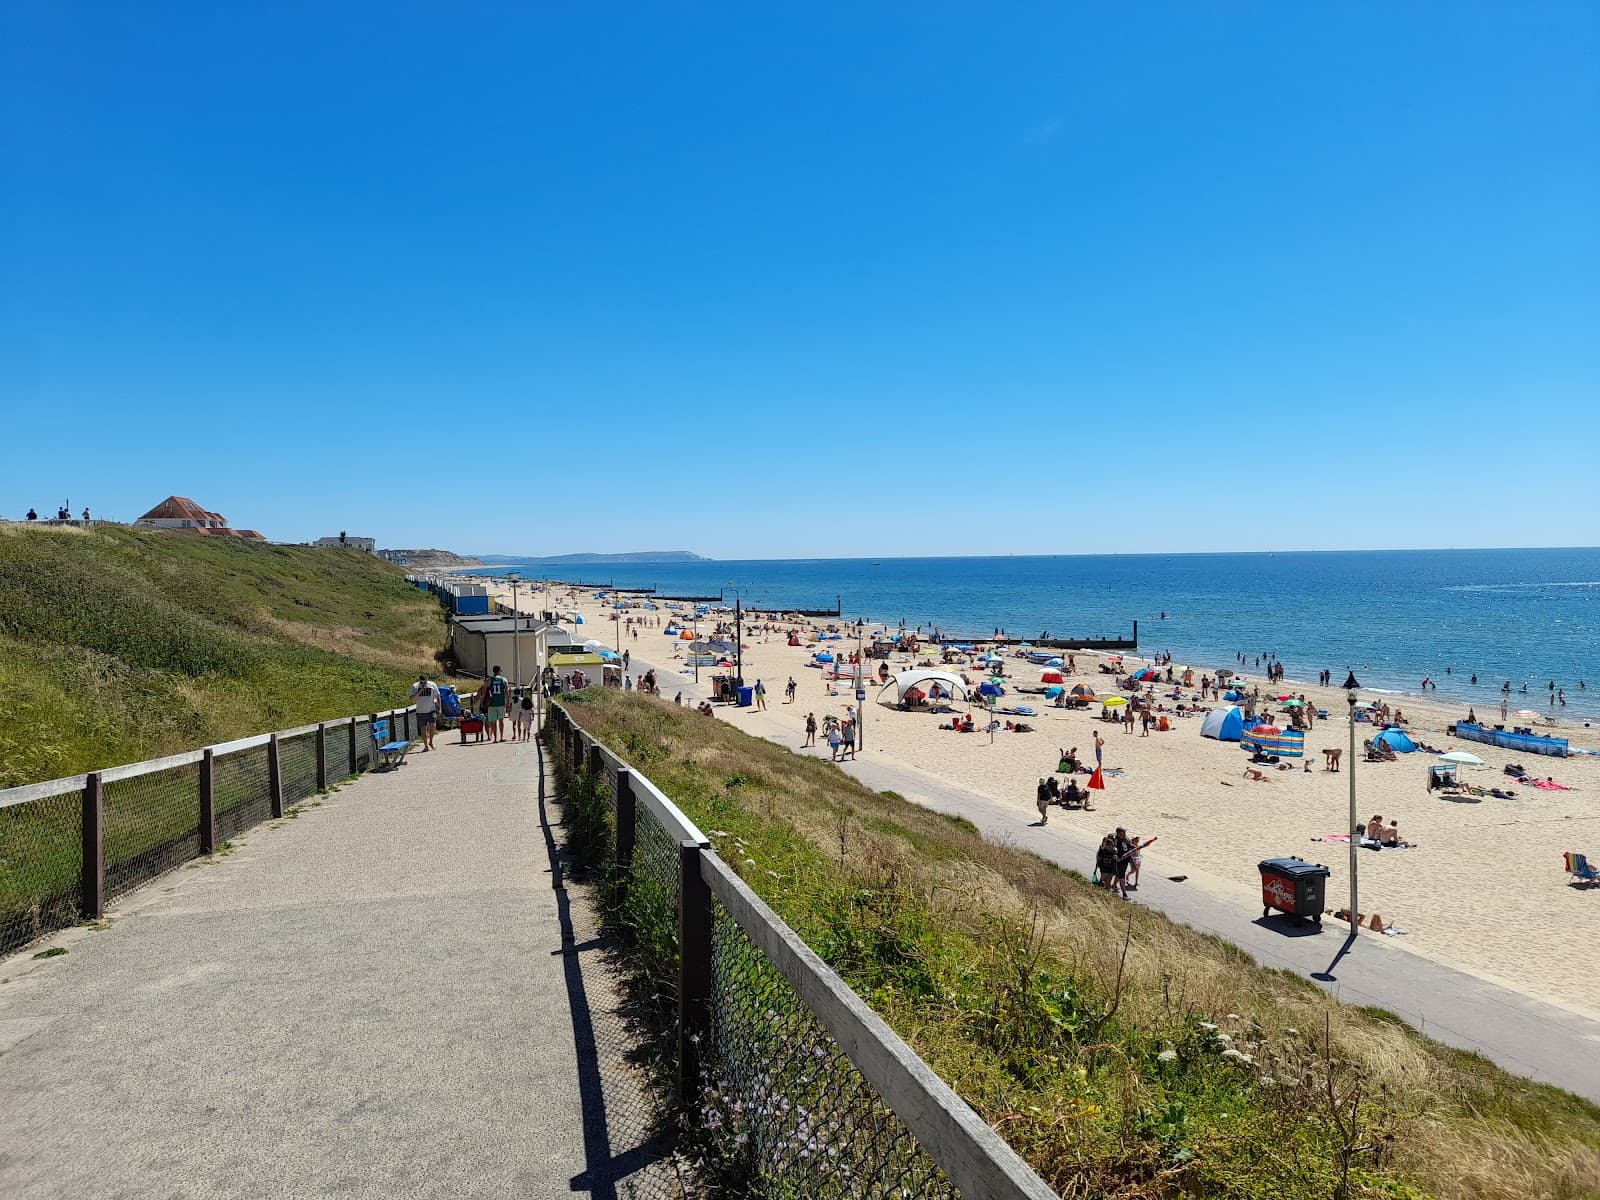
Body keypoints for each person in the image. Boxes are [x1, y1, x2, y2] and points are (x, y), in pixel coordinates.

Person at [410, 673, 441, 752]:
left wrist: (439, 707)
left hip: (431, 709)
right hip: (420, 711)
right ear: (419, 681)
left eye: (425, 682)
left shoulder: (432, 684)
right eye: (422, 682)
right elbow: (412, 699)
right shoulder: (415, 686)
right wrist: (420, 691)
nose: (423, 684)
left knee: (433, 726)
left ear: (427, 680)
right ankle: (426, 745)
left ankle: (431, 741)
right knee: (423, 728)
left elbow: (437, 696)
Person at [486, 665, 510, 743]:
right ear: (499, 671)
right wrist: (508, 702)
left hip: (492, 703)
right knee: (501, 720)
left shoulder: (489, 680)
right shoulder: (504, 680)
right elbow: (507, 692)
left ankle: (495, 738)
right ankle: (501, 737)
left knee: (493, 722)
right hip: (501, 703)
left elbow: (486, 690)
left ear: (493, 671)